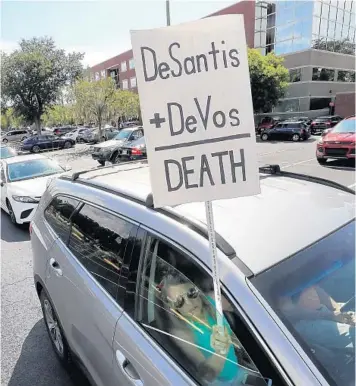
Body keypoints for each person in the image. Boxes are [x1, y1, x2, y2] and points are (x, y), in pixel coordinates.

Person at [160, 275, 250, 385]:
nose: (190, 303)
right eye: (179, 302)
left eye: (191, 293)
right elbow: (208, 374)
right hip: (220, 382)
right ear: (174, 308)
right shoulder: (181, 333)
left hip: (239, 369)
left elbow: (243, 298)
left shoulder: (212, 302)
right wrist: (221, 351)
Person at [279, 285, 355, 351]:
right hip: (302, 322)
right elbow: (288, 311)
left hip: (324, 311)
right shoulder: (281, 278)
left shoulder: (299, 273)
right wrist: (331, 315)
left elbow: (315, 288)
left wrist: (337, 309)